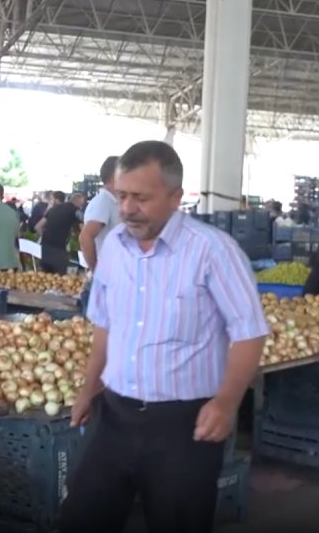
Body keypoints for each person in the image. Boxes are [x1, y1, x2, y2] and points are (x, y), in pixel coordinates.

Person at [60, 140, 268, 533]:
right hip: (115, 417)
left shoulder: (213, 252)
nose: (126, 208)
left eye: (141, 197)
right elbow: (105, 325)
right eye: (121, 196)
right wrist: (89, 389)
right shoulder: (115, 251)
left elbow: (249, 332)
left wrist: (226, 402)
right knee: (82, 517)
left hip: (184, 428)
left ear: (175, 198)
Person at [79, 156, 120, 273]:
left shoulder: (110, 201)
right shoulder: (104, 202)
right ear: (114, 176)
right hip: (109, 273)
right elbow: (85, 237)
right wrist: (96, 269)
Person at [36, 191, 84, 274]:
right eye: (81, 204)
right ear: (78, 202)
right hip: (59, 250)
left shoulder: (53, 209)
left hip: (45, 248)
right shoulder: (76, 211)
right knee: (59, 279)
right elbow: (84, 231)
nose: (82, 206)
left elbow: (38, 227)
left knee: (45, 278)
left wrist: (46, 237)